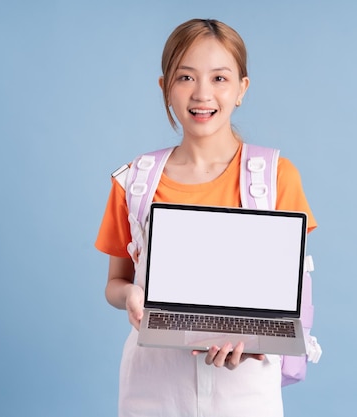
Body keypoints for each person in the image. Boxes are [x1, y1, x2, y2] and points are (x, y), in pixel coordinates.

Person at [95, 18, 317, 416]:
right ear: (165, 88)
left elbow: (293, 294)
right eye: (185, 77)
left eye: (219, 78)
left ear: (241, 89)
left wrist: (257, 344)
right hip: (153, 390)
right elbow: (116, 282)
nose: (202, 94)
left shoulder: (276, 177)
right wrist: (129, 296)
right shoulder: (136, 181)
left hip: (245, 393)